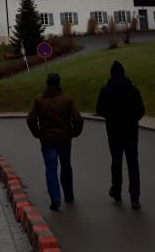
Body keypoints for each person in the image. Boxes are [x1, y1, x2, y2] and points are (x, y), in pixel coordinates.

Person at [25, 72, 84, 212]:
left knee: (51, 169)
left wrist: (37, 133)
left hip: (47, 140)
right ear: (59, 83)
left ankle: (55, 199)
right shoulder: (67, 99)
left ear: (47, 84)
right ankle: (68, 194)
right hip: (64, 139)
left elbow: (31, 119)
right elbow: (77, 118)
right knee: (66, 166)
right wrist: (74, 133)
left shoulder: (39, 100)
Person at [96, 61, 146, 210]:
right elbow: (141, 110)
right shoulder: (133, 90)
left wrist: (110, 117)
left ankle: (116, 191)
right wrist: (132, 119)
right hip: (131, 132)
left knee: (116, 163)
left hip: (114, 132)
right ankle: (135, 197)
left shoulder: (106, 90)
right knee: (133, 164)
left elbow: (99, 109)